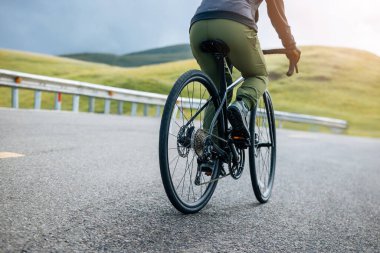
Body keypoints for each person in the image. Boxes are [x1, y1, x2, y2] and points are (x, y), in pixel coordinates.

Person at [189, 0, 301, 139]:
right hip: (235, 24)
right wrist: (290, 46)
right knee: (258, 75)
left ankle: (208, 149)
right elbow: (276, 14)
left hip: (198, 26)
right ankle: (240, 107)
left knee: (218, 91)